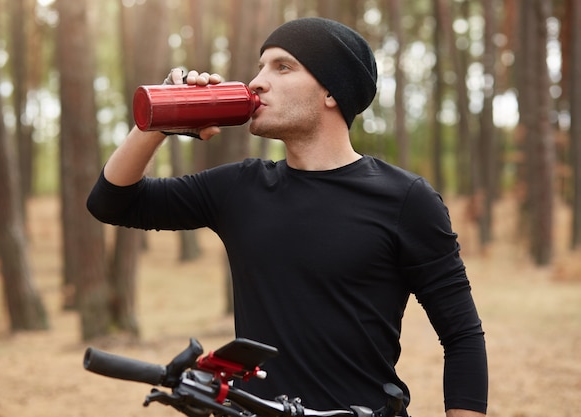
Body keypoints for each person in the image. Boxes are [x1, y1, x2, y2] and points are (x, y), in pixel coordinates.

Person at [87, 17, 488, 417]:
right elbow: (112, 202)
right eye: (260, 67)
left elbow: (462, 337)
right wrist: (160, 119)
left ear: (332, 91)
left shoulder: (405, 199)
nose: (257, 82)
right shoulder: (240, 188)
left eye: (282, 67)